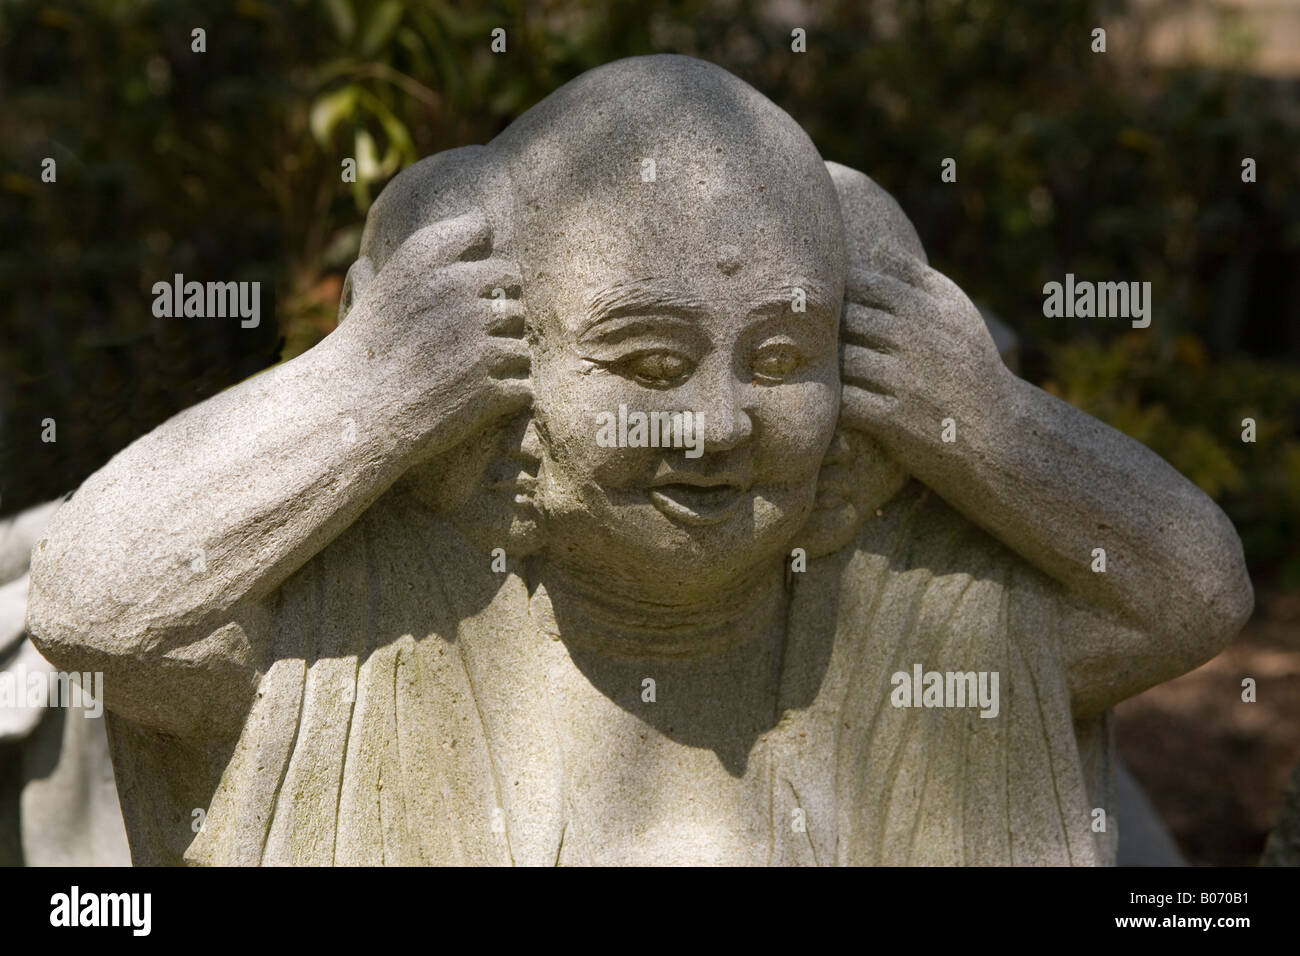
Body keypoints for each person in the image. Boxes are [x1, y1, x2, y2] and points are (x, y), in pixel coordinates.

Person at [28, 55, 1252, 865]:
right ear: (499, 368)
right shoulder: (344, 628)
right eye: (647, 364)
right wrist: (370, 387)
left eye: (778, 359)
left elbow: (1194, 589)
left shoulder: (926, 620)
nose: (715, 425)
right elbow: (99, 600)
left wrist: (975, 417)